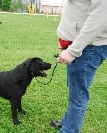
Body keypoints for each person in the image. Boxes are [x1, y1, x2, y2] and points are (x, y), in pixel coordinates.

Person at [51, 0, 107, 133]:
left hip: (88, 47)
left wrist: (73, 50)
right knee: (75, 88)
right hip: (82, 45)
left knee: (78, 95)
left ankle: (69, 130)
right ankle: (68, 122)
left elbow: (100, 17)